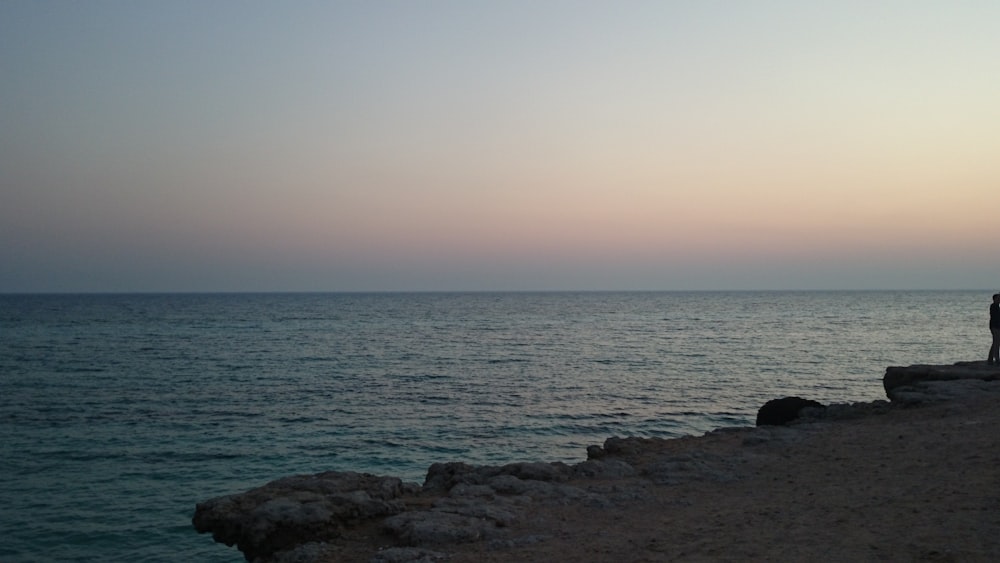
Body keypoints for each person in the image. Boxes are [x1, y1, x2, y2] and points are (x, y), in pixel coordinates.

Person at [989, 293, 1000, 366]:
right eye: (998, 298)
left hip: (996, 326)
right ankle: (996, 359)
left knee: (995, 343)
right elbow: (996, 317)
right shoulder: (993, 306)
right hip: (995, 327)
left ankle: (990, 359)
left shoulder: (997, 306)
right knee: (996, 343)